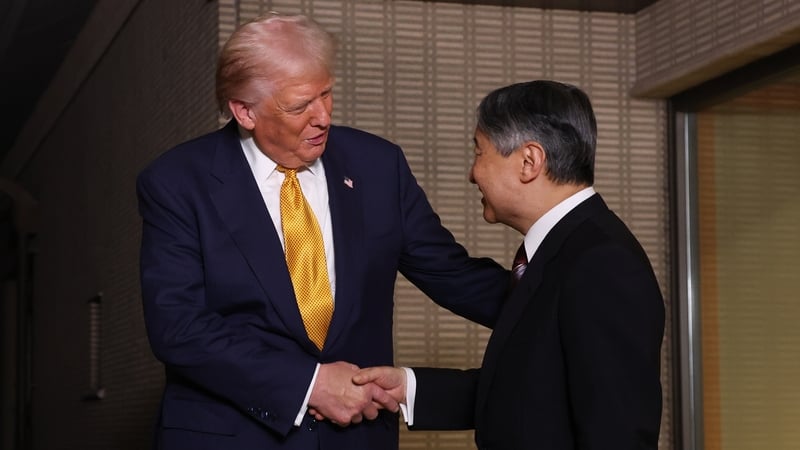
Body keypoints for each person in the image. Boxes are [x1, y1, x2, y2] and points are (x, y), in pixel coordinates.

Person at [136, 12, 509, 450]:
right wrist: (308, 384)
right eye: (300, 106)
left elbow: (453, 274)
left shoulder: (377, 165)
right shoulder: (178, 181)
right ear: (244, 111)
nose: (323, 117)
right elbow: (179, 326)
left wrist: (564, 295)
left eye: (327, 94)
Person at [355, 80, 666, 450]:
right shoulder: (564, 251)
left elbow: (618, 435)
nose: (473, 173)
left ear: (529, 162)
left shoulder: (603, 265)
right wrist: (409, 389)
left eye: (479, 152)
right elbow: (536, 392)